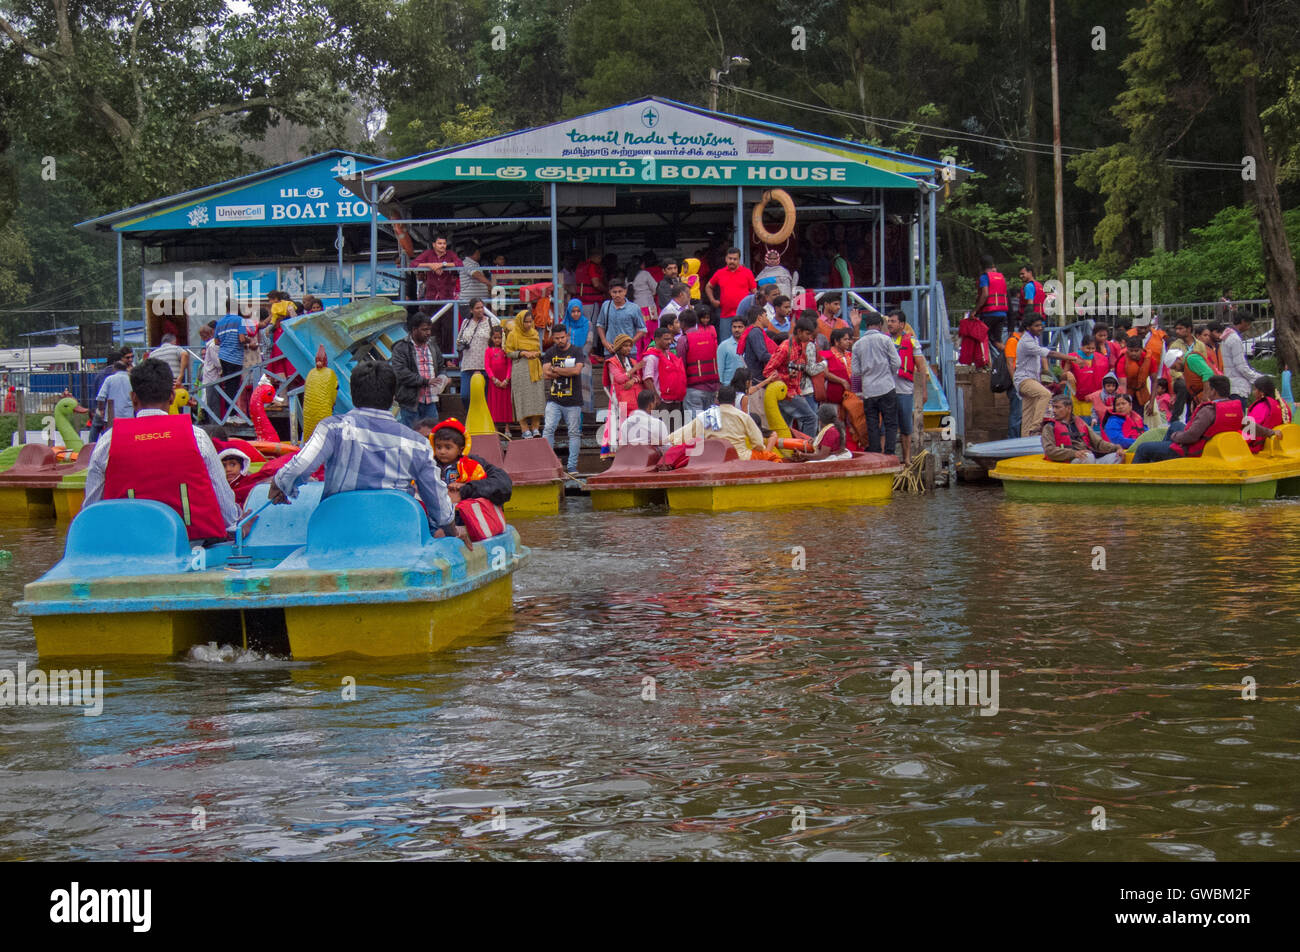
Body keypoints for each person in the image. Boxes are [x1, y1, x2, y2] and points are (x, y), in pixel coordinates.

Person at [269, 360, 455, 535]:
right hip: (396, 532)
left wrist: (280, 483)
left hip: (339, 530)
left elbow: (301, 464)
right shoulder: (418, 443)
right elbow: (438, 503)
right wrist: (453, 532)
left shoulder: (333, 428)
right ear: (393, 397)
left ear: (353, 394)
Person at [84, 358, 239, 541]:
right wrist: (235, 525)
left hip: (129, 545)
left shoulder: (107, 442)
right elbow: (222, 497)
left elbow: (91, 509)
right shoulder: (198, 438)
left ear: (133, 398)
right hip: (192, 544)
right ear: (172, 397)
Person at [1132, 375, 1242, 463]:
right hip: (1210, 443)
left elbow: (1191, 436)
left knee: (1142, 448)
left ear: (1213, 391)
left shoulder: (1209, 411)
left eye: (1207, 389)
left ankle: (1139, 478)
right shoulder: (1236, 409)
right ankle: (1163, 460)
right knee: (1175, 425)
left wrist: (1175, 436)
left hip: (1194, 448)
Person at [426, 419, 513, 508]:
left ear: (461, 449)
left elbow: (503, 485)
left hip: (465, 512)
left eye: (448, 447)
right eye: (439, 447)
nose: (442, 452)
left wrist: (465, 489)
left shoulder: (473, 465)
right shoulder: (428, 466)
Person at [1014, 317, 1077, 437]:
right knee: (1045, 394)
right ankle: (1035, 428)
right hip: (1024, 379)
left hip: (1032, 379)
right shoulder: (1026, 342)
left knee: (1028, 413)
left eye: (1041, 325)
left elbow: (1042, 357)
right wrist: (1072, 358)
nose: (1040, 328)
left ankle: (1025, 440)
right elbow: (1050, 353)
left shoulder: (1034, 339)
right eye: (1036, 326)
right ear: (1028, 327)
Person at [665, 385, 767, 460]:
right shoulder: (743, 417)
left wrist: (666, 440)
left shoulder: (706, 415)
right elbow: (758, 443)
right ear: (734, 401)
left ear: (717, 400)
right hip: (741, 458)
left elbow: (680, 437)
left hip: (714, 459)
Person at [851, 312, 901, 454]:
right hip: (886, 386)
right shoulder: (886, 340)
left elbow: (855, 370)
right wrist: (888, 372)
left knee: (872, 424)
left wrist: (867, 373)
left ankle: (875, 453)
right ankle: (890, 452)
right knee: (890, 423)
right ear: (880, 325)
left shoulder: (857, 345)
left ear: (866, 326)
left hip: (869, 390)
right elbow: (897, 362)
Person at [764, 315, 821, 436]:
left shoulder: (799, 345)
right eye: (807, 334)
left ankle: (790, 452)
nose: (810, 338)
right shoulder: (785, 348)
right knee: (811, 418)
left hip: (793, 392)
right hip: (786, 393)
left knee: (785, 427)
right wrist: (787, 377)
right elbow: (767, 371)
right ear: (799, 332)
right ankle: (807, 449)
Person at [539, 324, 585, 474]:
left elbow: (577, 370)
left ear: (568, 335)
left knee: (573, 433)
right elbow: (545, 373)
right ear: (553, 338)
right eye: (557, 338)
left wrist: (556, 369)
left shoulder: (577, 351)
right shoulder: (550, 352)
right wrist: (566, 371)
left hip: (574, 401)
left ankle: (572, 466)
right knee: (548, 429)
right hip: (554, 399)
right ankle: (548, 463)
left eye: (562, 337)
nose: (560, 340)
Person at [886, 310, 927, 466]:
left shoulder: (912, 342)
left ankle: (907, 459)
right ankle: (887, 458)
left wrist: (923, 390)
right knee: (887, 425)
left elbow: (922, 368)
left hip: (905, 390)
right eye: (889, 321)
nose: (890, 324)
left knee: (906, 426)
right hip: (887, 390)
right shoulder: (885, 340)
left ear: (902, 325)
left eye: (893, 321)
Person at [391, 312, 445, 428]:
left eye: (429, 329)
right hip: (410, 402)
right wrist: (425, 381)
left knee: (432, 438)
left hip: (431, 400)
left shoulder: (433, 346)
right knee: (410, 438)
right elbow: (400, 372)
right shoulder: (401, 347)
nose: (428, 333)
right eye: (424, 330)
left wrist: (443, 378)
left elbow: (441, 366)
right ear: (414, 330)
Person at [1041, 393, 1124, 464]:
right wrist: (1073, 453)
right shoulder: (1049, 426)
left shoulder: (1080, 423)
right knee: (1087, 457)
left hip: (1086, 458)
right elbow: (1050, 451)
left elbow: (1098, 443)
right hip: (1068, 460)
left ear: (1069, 408)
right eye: (1053, 407)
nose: (1054, 411)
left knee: (1117, 456)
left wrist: (1116, 448)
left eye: (1057, 407)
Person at [600, 334, 644, 457]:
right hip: (618, 400)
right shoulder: (611, 362)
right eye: (625, 346)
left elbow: (640, 377)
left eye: (630, 346)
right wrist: (633, 370)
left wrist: (632, 380)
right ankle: (619, 455)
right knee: (619, 426)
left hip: (634, 400)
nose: (628, 348)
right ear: (619, 347)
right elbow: (619, 378)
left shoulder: (633, 361)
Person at [505, 310, 545, 439]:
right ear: (520, 322)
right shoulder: (513, 334)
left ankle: (535, 427)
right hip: (520, 368)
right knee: (521, 397)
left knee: (537, 398)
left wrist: (535, 354)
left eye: (530, 321)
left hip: (535, 368)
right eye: (525, 322)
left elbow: (538, 350)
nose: (528, 324)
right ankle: (524, 428)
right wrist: (522, 353)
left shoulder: (534, 333)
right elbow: (508, 352)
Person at [455, 296, 501, 402]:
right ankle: (470, 416)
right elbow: (458, 341)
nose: (480, 310)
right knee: (465, 396)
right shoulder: (466, 322)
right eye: (477, 308)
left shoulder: (491, 322)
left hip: (486, 366)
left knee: (484, 398)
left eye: (482, 307)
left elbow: (499, 341)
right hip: (468, 365)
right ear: (471, 310)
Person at [678, 308, 719, 423]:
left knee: (695, 426)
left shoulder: (684, 340)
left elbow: (681, 365)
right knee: (710, 425)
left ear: (682, 324)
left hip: (694, 389)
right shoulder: (709, 336)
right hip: (713, 387)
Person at [642, 324, 687, 425]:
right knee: (661, 433)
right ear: (656, 340)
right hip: (661, 402)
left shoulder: (670, 355)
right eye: (665, 339)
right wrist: (656, 398)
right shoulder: (651, 357)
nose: (669, 342)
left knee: (675, 434)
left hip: (675, 401)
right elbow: (647, 379)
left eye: (670, 339)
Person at [1219, 310, 1262, 404]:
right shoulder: (1235, 339)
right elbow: (1241, 366)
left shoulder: (1226, 336)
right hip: (1237, 387)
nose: (1249, 327)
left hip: (1229, 384)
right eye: (1249, 323)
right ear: (1243, 321)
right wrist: (1257, 378)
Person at [594, 280, 646, 355]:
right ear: (610, 292)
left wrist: (629, 343)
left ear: (625, 291)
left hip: (629, 351)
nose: (617, 295)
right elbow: (600, 325)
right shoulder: (606, 305)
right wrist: (604, 342)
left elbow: (642, 329)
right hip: (610, 349)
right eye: (614, 292)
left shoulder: (634, 308)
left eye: (620, 291)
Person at [705, 247, 756, 323]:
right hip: (725, 315)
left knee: (744, 335)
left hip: (744, 315)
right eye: (730, 258)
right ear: (726, 259)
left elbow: (754, 292)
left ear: (739, 260)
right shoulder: (720, 273)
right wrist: (712, 300)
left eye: (735, 259)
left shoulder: (747, 273)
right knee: (725, 335)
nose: (732, 261)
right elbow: (708, 286)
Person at [214, 301, 245, 418]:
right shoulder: (239, 320)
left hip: (223, 356)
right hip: (235, 357)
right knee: (234, 387)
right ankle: (231, 415)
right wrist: (248, 341)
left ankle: (229, 414)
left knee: (228, 386)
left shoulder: (220, 322)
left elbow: (216, 341)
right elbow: (241, 339)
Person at [483, 325, 514, 435]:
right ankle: (495, 427)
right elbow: (487, 366)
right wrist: (494, 379)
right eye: (495, 338)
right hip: (494, 383)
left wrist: (506, 380)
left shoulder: (506, 350)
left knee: (506, 404)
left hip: (505, 382)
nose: (497, 340)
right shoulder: (488, 351)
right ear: (491, 338)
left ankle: (507, 428)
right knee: (494, 404)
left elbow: (510, 365)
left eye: (499, 338)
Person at [1244, 376, 1287, 452]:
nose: (1253, 392)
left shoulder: (1261, 407)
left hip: (1258, 445)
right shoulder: (1281, 404)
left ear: (1261, 392)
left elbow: (1249, 430)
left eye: (1254, 389)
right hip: (1276, 443)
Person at [974, 254, 1009, 344]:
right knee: (997, 341)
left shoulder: (984, 277)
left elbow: (985, 294)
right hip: (1002, 314)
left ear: (981, 266)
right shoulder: (1001, 277)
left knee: (979, 338)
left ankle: (984, 357)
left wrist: (975, 311)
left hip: (990, 314)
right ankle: (1009, 357)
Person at [1120, 334, 1156, 408]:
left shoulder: (1150, 359)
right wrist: (1123, 404)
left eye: (1136, 351)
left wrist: (1151, 403)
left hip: (1141, 393)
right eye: (1131, 350)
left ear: (1142, 349)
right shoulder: (1122, 360)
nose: (1133, 353)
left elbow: (1154, 381)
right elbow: (1122, 384)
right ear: (1127, 349)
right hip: (1126, 392)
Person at [456, 241, 494, 313]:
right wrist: (490, 284)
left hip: (477, 304)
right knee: (471, 323)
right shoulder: (466, 263)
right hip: (469, 304)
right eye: (479, 252)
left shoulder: (475, 264)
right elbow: (476, 275)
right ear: (476, 252)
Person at [715, 317, 747, 402]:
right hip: (729, 388)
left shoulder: (749, 344)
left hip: (747, 387)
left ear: (745, 328)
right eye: (734, 327)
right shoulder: (724, 346)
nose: (737, 330)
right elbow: (720, 368)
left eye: (740, 327)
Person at [95, 360, 135, 425]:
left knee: (112, 434)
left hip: (112, 417)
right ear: (126, 369)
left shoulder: (110, 379)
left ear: (114, 368)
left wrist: (101, 410)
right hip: (129, 416)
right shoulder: (131, 379)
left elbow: (101, 397)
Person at [199, 322, 222, 422]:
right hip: (211, 378)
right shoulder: (211, 345)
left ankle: (214, 426)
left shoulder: (211, 346)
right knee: (212, 404)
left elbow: (217, 363)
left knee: (213, 404)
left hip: (211, 378)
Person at [575, 249, 606, 319]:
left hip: (580, 301)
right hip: (591, 302)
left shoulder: (581, 266)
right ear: (596, 256)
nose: (601, 260)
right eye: (600, 258)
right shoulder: (592, 266)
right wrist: (606, 290)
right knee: (591, 325)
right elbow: (596, 284)